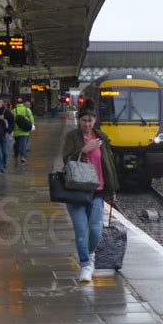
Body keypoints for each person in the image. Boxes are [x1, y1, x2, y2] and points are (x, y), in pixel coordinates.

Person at [62, 98, 119, 283]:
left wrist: (111, 190)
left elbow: (108, 164)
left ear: (95, 121)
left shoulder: (101, 137)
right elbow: (66, 160)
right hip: (76, 190)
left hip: (97, 190)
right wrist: (84, 150)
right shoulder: (72, 137)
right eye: (84, 120)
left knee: (96, 231)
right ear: (79, 120)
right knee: (81, 230)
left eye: (90, 120)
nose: (87, 124)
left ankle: (90, 253)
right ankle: (86, 265)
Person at [12, 98, 35, 163]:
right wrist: (31, 126)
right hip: (25, 130)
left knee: (17, 143)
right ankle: (23, 156)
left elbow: (11, 121)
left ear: (16, 103)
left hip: (16, 131)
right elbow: (31, 119)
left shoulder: (13, 111)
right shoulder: (27, 110)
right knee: (23, 144)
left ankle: (16, 154)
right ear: (22, 103)